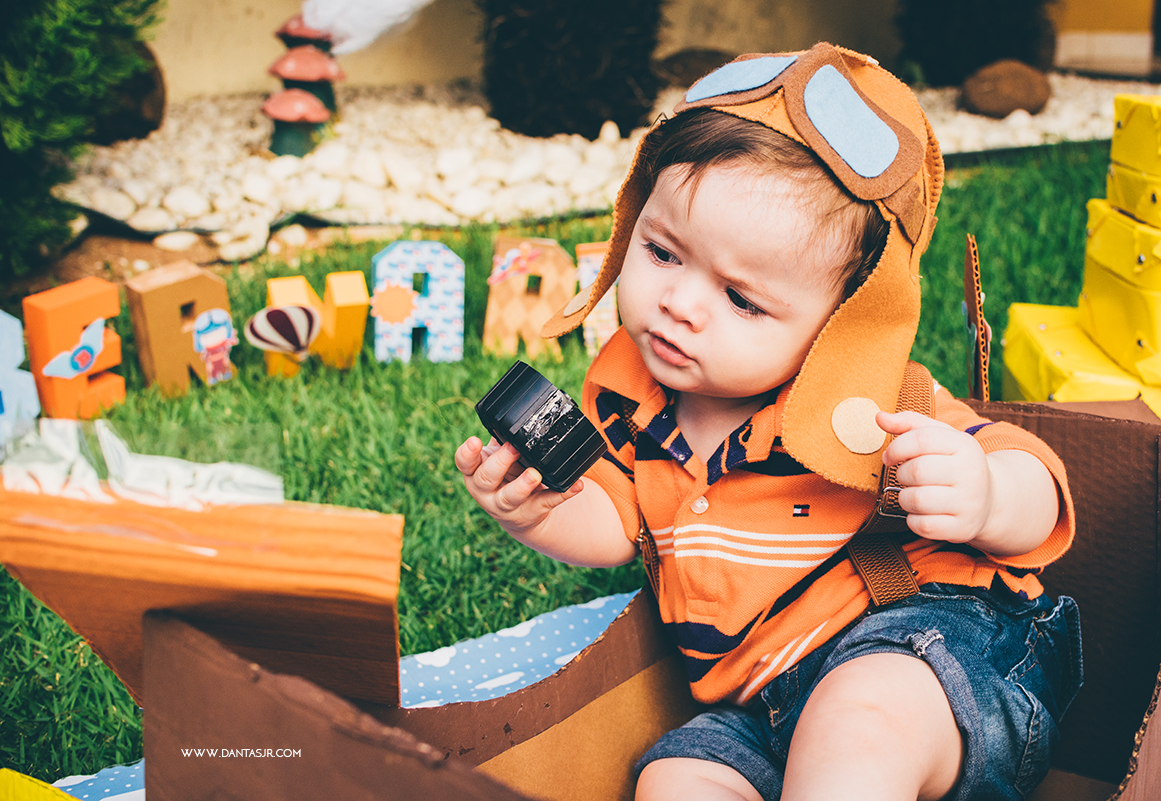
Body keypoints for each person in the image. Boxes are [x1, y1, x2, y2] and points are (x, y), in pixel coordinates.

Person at [455, 43, 1081, 801]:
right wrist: (543, 509)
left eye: (741, 299)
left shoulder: (863, 398)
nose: (681, 305)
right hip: (756, 699)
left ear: (842, 325)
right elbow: (619, 524)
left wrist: (986, 493)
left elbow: (1035, 479)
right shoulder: (626, 386)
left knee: (855, 729)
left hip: (933, 645)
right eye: (660, 252)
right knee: (674, 777)